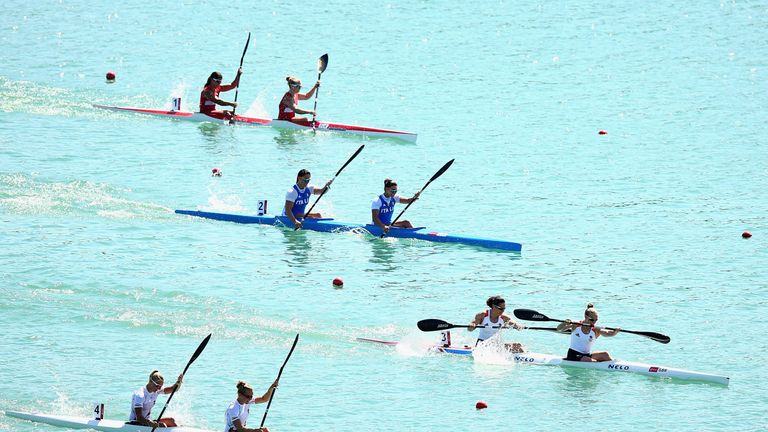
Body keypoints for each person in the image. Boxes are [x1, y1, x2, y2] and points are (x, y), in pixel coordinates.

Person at [555, 303, 621, 362]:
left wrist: (615, 331)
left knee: (605, 355)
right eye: (592, 320)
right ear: (586, 317)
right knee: (591, 361)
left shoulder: (595, 329)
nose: (594, 322)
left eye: (596, 320)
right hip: (573, 355)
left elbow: (608, 333)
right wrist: (564, 323)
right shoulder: (576, 325)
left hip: (586, 355)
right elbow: (559, 329)